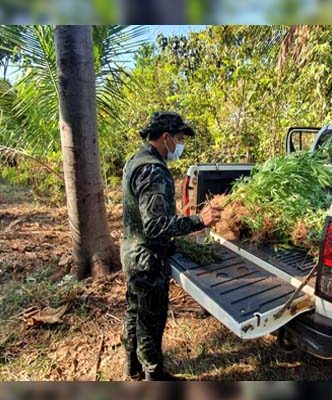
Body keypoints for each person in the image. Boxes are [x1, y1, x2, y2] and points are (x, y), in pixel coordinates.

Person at [121, 111, 222, 381]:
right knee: (151, 320)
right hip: (147, 258)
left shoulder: (136, 160)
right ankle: (154, 374)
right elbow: (155, 226)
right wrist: (200, 219)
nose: (180, 145)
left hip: (132, 251)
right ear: (165, 138)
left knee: (135, 310)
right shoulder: (153, 170)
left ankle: (132, 366)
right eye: (178, 139)